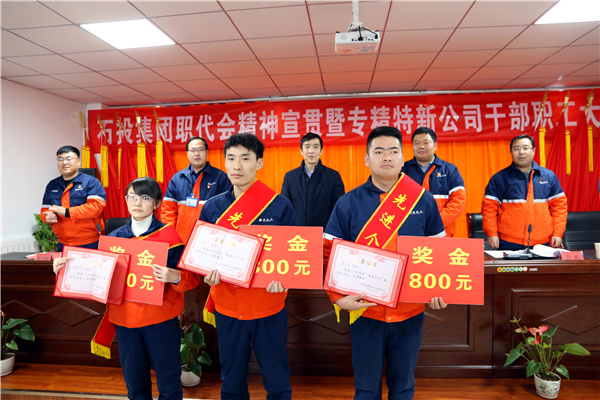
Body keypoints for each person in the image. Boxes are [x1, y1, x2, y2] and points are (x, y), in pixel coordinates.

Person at [324, 126, 447, 400]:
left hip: (410, 312)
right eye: (379, 152)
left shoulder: (423, 200)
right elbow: (327, 253)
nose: (387, 157)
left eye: (393, 151)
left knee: (403, 386)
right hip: (364, 311)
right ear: (367, 159)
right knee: (366, 387)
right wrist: (337, 298)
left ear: (403, 158)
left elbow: (439, 253)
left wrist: (440, 290)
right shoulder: (347, 203)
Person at [53, 177, 199, 400]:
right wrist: (65, 269)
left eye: (144, 197)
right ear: (126, 200)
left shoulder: (170, 237)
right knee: (135, 383)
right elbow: (95, 275)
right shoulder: (113, 238)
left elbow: (192, 279)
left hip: (160, 320)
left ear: (157, 203)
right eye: (132, 197)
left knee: (169, 381)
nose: (137, 202)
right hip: (125, 321)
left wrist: (175, 276)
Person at [199, 133, 297, 400]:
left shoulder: (279, 205)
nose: (237, 166)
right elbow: (202, 252)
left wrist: (284, 277)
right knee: (231, 380)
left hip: (269, 304)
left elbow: (293, 253)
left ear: (259, 163)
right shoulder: (212, 207)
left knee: (277, 379)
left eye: (245, 158)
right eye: (231, 158)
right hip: (228, 305)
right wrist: (206, 272)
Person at [482, 134, 568, 250]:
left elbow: (559, 207)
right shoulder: (499, 178)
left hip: (542, 242)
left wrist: (558, 233)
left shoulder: (549, 176)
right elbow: (489, 208)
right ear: (511, 152)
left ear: (533, 151)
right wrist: (492, 233)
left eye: (526, 148)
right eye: (516, 149)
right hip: (508, 242)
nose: (521, 152)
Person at [161, 136, 230, 242]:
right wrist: (170, 237)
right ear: (187, 153)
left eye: (200, 149)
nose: (197, 154)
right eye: (193, 150)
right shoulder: (177, 178)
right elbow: (168, 211)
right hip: (182, 240)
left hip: (210, 240)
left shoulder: (221, 177)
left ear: (207, 152)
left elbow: (227, 211)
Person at [401, 127, 466, 237]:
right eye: (417, 143)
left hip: (442, 233)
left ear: (435, 145)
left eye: (426, 142)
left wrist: (436, 223)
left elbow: (458, 202)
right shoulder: (402, 170)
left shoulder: (450, 170)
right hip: (410, 233)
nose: (421, 146)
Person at [41, 145, 106, 251]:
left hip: (89, 242)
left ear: (78, 161)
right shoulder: (52, 185)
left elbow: (95, 208)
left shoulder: (91, 182)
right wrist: (49, 215)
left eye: (68, 159)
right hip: (62, 242)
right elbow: (44, 209)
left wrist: (66, 212)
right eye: (60, 159)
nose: (64, 162)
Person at [281, 132, 345, 228]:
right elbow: (285, 208)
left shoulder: (333, 176)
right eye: (307, 147)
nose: (311, 151)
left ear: (321, 151)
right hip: (297, 234)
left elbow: (338, 209)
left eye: (315, 147)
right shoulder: (290, 177)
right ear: (301, 151)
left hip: (324, 233)